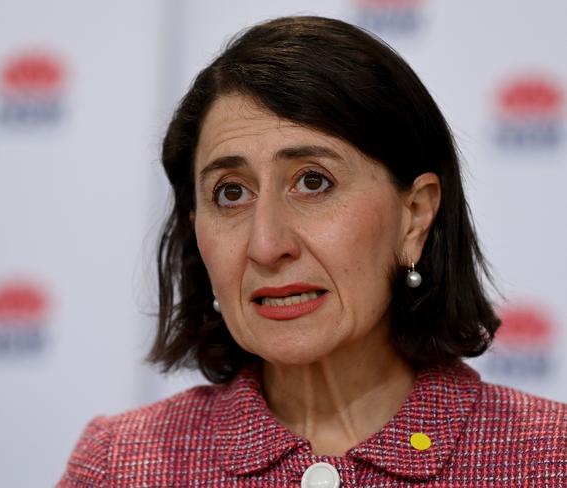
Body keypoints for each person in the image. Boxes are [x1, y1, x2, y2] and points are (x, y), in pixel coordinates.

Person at [57, 16, 566, 487]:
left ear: (414, 216)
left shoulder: (548, 458)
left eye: (313, 182)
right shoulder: (119, 465)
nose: (266, 245)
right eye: (230, 192)